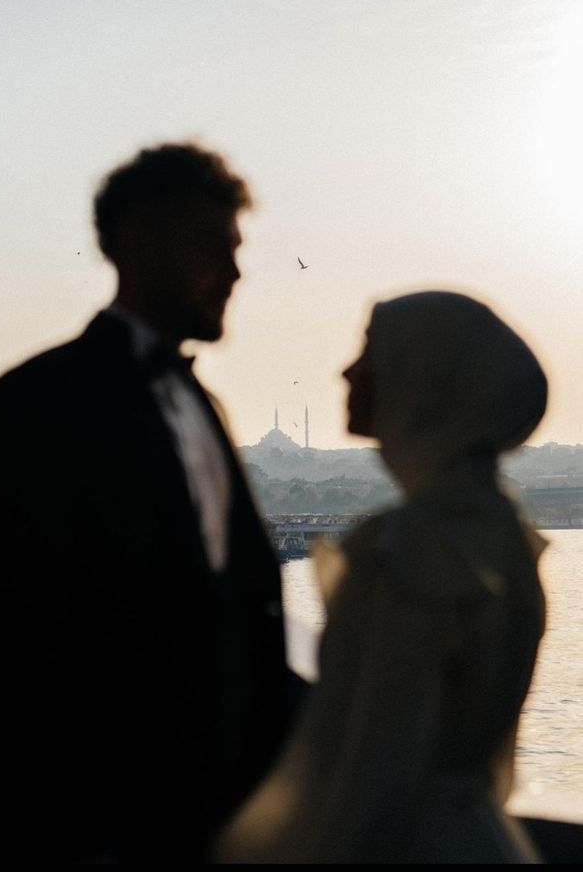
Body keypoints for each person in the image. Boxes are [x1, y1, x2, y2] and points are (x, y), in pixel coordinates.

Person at [0, 143, 293, 863]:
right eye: (216, 246)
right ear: (139, 242)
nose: (237, 272)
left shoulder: (200, 403)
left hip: (212, 816)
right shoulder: (39, 402)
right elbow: (33, 633)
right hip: (100, 825)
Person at [215, 291, 548, 864]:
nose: (347, 371)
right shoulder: (503, 532)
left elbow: (373, 765)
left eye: (370, 353)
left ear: (422, 380)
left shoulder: (406, 549)